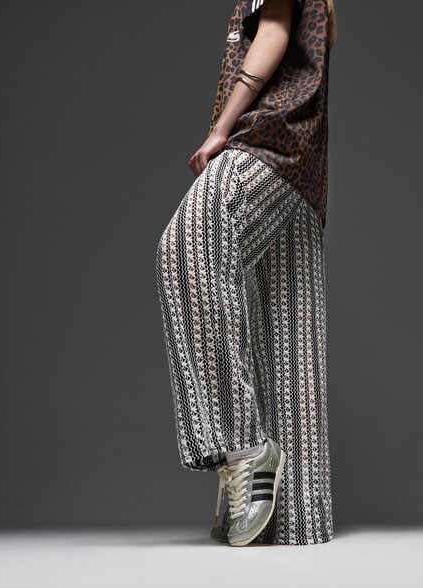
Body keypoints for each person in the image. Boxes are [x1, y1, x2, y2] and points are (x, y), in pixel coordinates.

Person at [155, 0, 336, 546]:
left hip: (267, 138)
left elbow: (275, 31)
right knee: (291, 336)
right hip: (305, 160)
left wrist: (220, 129)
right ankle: (299, 517)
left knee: (186, 250)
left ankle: (243, 449)